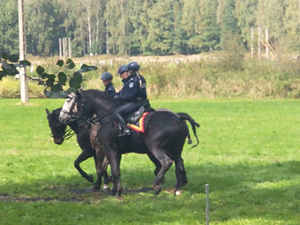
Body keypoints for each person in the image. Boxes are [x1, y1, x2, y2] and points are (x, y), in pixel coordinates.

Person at [114, 62, 149, 137]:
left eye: (128, 71)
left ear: (131, 71)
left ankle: (125, 129)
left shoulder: (133, 81)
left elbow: (130, 95)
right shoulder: (140, 78)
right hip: (142, 101)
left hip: (135, 103)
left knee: (117, 112)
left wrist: (119, 98)